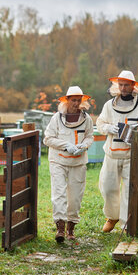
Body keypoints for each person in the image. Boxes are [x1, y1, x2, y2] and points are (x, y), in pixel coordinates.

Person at [96, 70, 138, 232]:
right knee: (108, 188)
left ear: (133, 86)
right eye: (120, 85)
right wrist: (109, 127)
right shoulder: (109, 105)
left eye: (126, 85)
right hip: (112, 154)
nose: (123, 88)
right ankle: (112, 216)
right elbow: (100, 123)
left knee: (129, 190)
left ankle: (126, 223)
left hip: (132, 155)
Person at [44, 86, 94, 242]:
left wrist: (83, 146)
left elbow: (90, 137)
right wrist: (65, 145)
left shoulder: (87, 119)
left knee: (75, 196)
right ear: (67, 100)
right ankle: (60, 228)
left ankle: (71, 229)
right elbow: (48, 139)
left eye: (79, 100)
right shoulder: (56, 118)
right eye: (73, 100)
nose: (76, 103)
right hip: (58, 161)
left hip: (78, 162)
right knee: (59, 193)